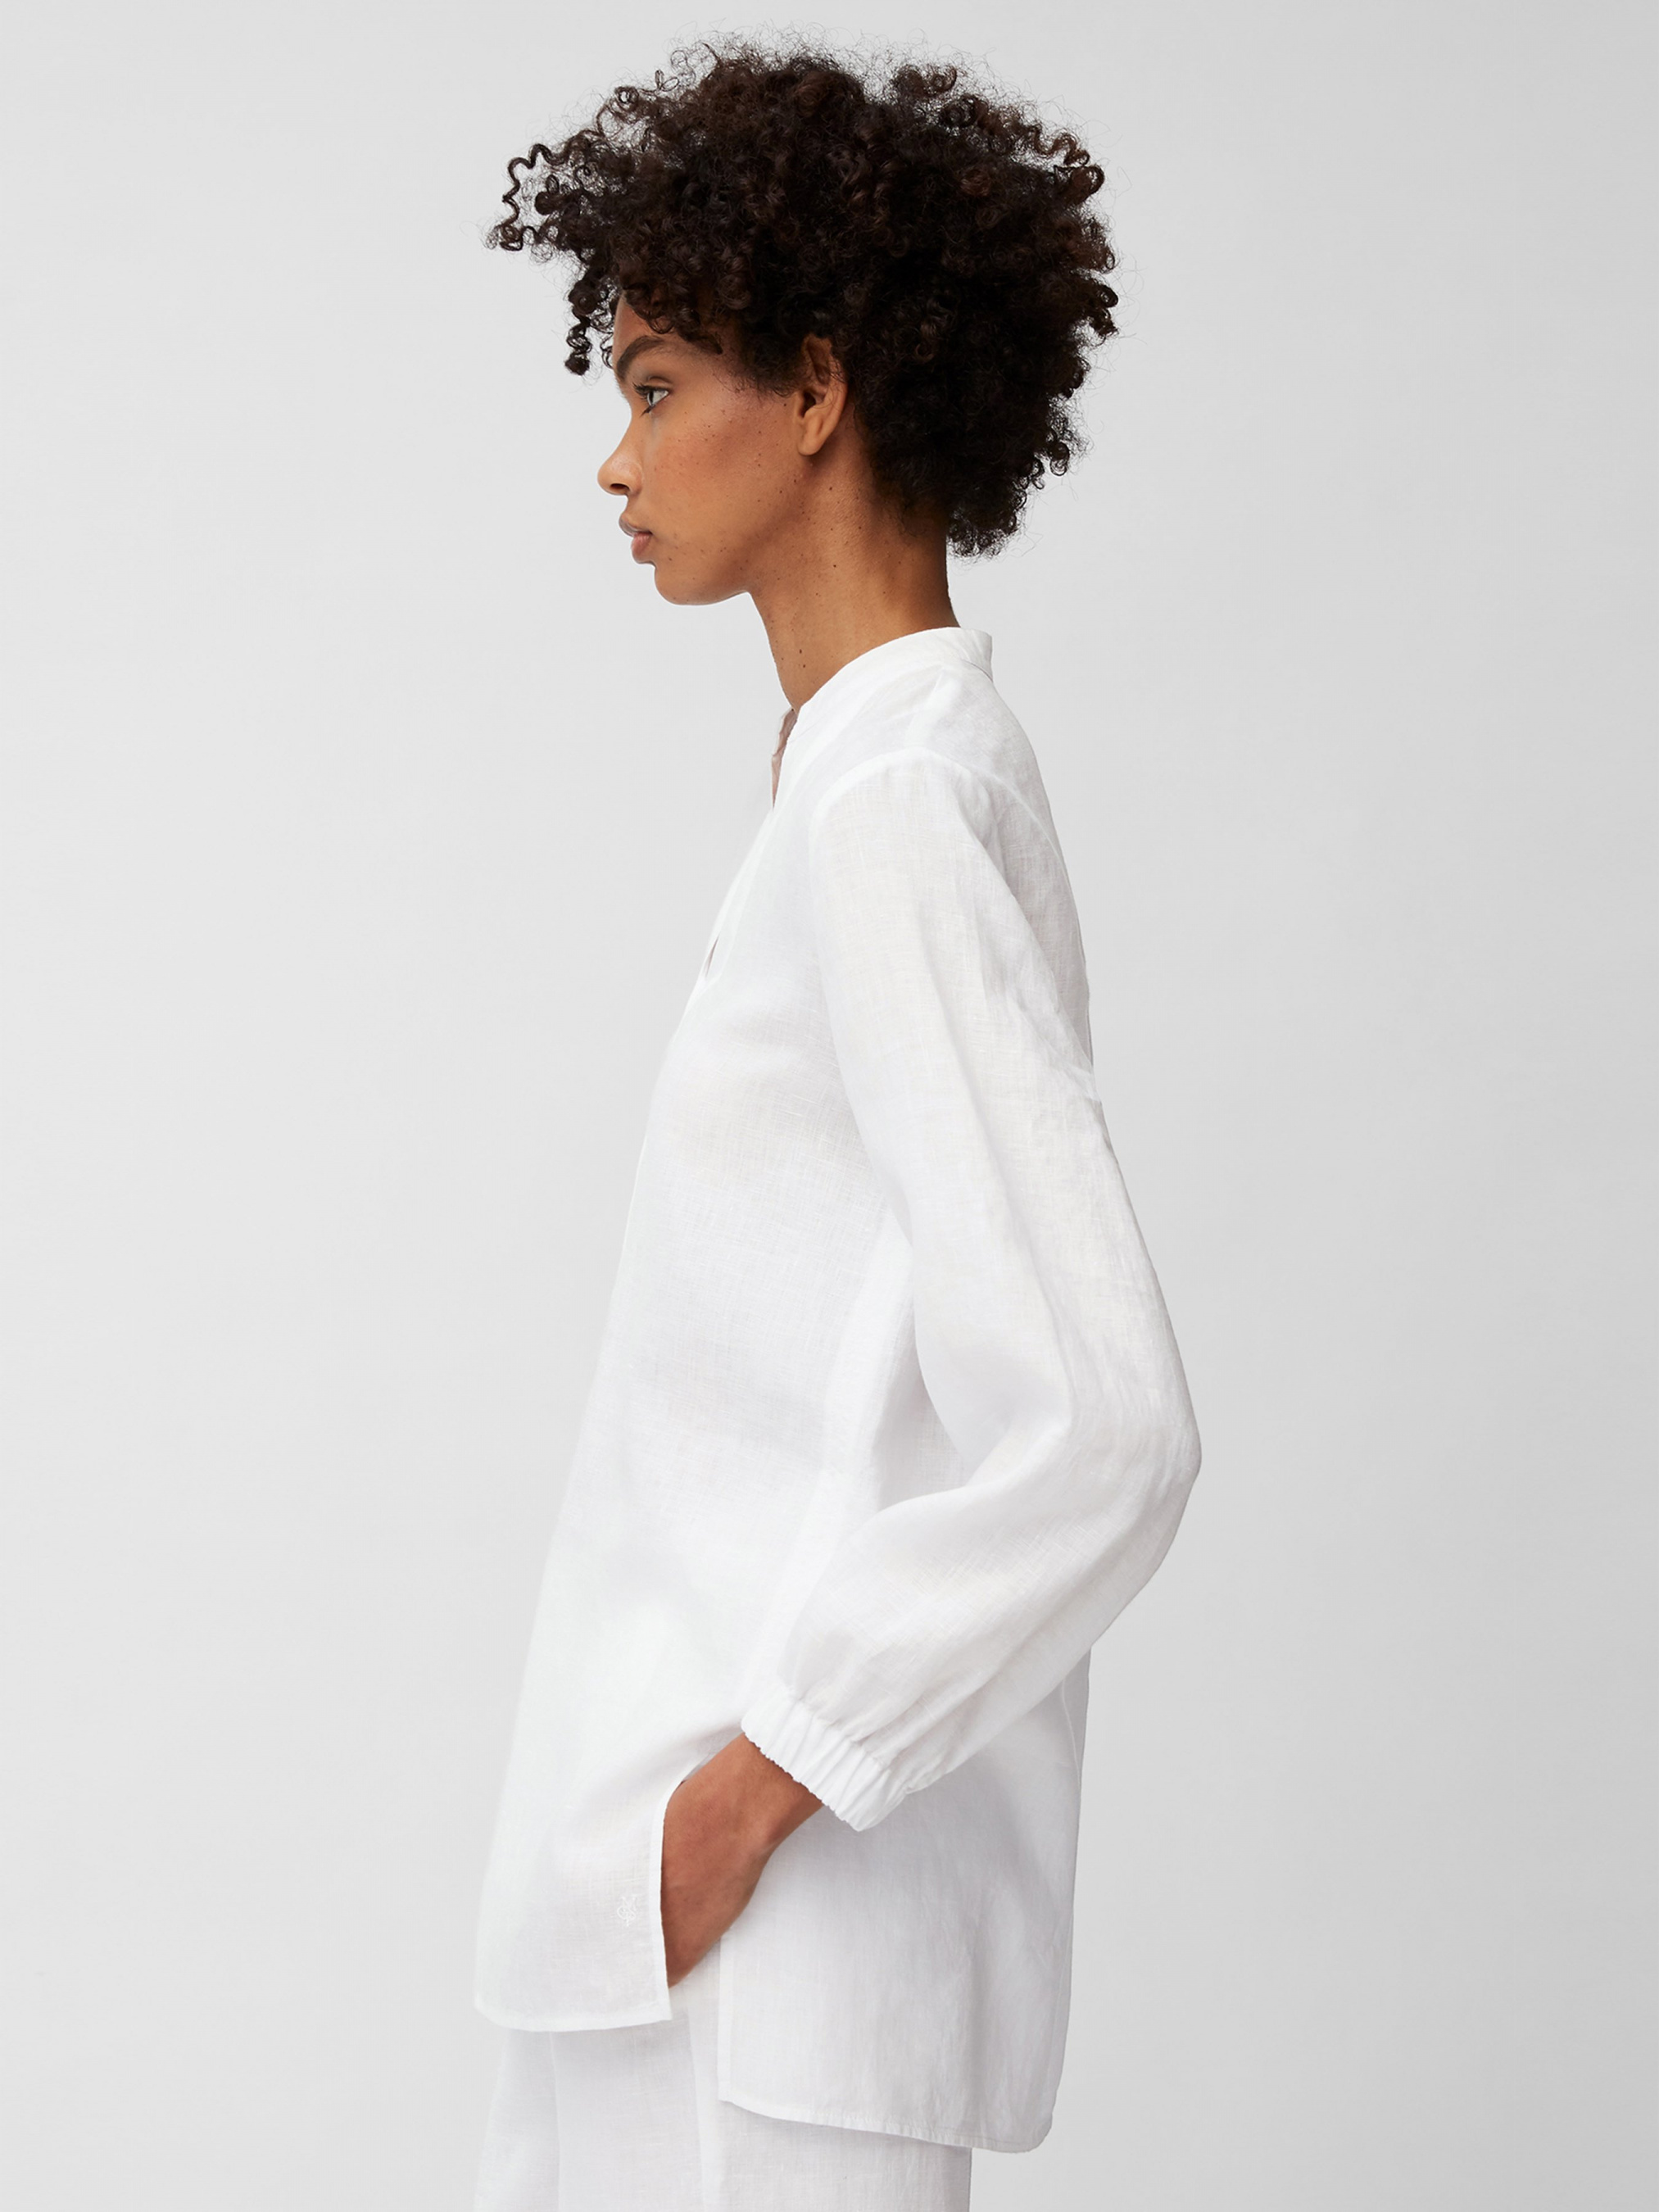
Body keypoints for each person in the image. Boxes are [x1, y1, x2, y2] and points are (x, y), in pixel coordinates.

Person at [471, 41, 1201, 2212]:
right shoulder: (859, 784)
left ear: (813, 389)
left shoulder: (895, 805)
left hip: (761, 1961)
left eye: (653, 382)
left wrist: (760, 1785)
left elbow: (1103, 1423)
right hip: (689, 1942)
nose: (616, 459)